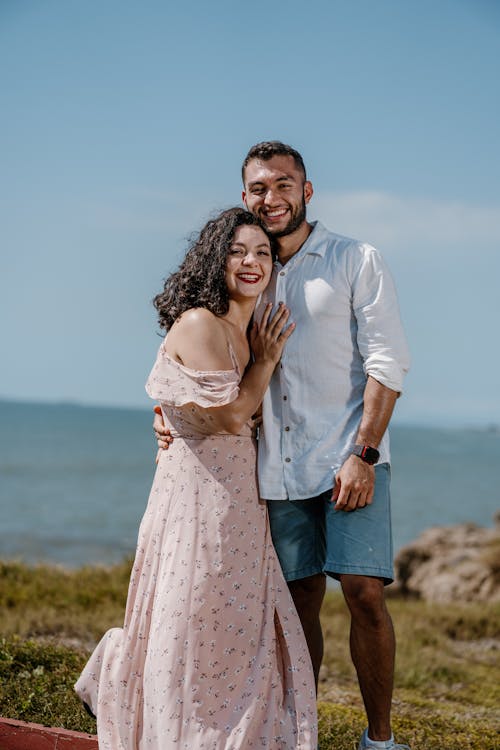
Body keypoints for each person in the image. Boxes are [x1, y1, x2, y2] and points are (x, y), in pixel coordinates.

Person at [155, 142, 411, 750]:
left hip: (349, 457)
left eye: (283, 185)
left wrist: (365, 453)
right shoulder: (246, 270)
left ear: (307, 190)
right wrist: (165, 410)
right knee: (297, 602)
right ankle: (299, 732)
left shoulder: (355, 259)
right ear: (245, 196)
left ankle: (380, 739)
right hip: (275, 468)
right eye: (258, 189)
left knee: (364, 591)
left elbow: (388, 361)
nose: (271, 198)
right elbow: (193, 346)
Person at [75, 207, 318, 750]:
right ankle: (175, 717)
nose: (252, 262)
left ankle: (223, 717)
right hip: (195, 496)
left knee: (228, 613)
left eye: (262, 252)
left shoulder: (250, 329)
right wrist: (267, 361)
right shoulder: (200, 322)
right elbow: (232, 416)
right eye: (237, 251)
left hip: (241, 496)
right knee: (190, 608)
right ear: (215, 258)